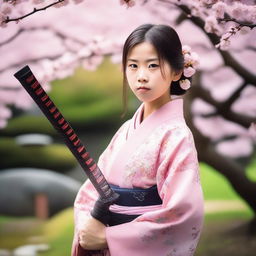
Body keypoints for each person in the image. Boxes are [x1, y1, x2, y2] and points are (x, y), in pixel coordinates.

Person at [71, 23, 204, 256]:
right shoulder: (125, 129)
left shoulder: (177, 136)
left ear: (177, 71)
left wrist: (109, 237)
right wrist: (89, 223)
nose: (141, 76)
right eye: (133, 66)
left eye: (153, 65)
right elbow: (92, 189)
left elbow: (182, 213)